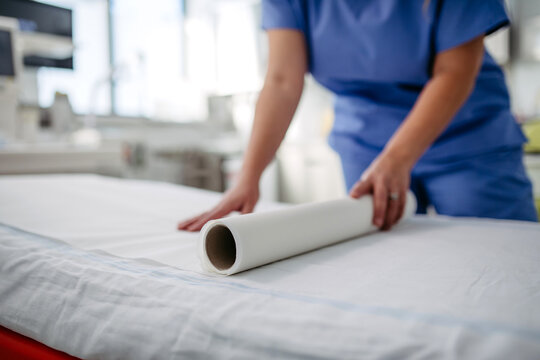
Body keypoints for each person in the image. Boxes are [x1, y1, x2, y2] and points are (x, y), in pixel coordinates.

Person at [178, 0, 538, 232]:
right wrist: (248, 176)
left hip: (464, 133)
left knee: (497, 252)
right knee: (384, 258)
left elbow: (454, 73)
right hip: (366, 138)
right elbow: (283, 81)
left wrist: (397, 158)